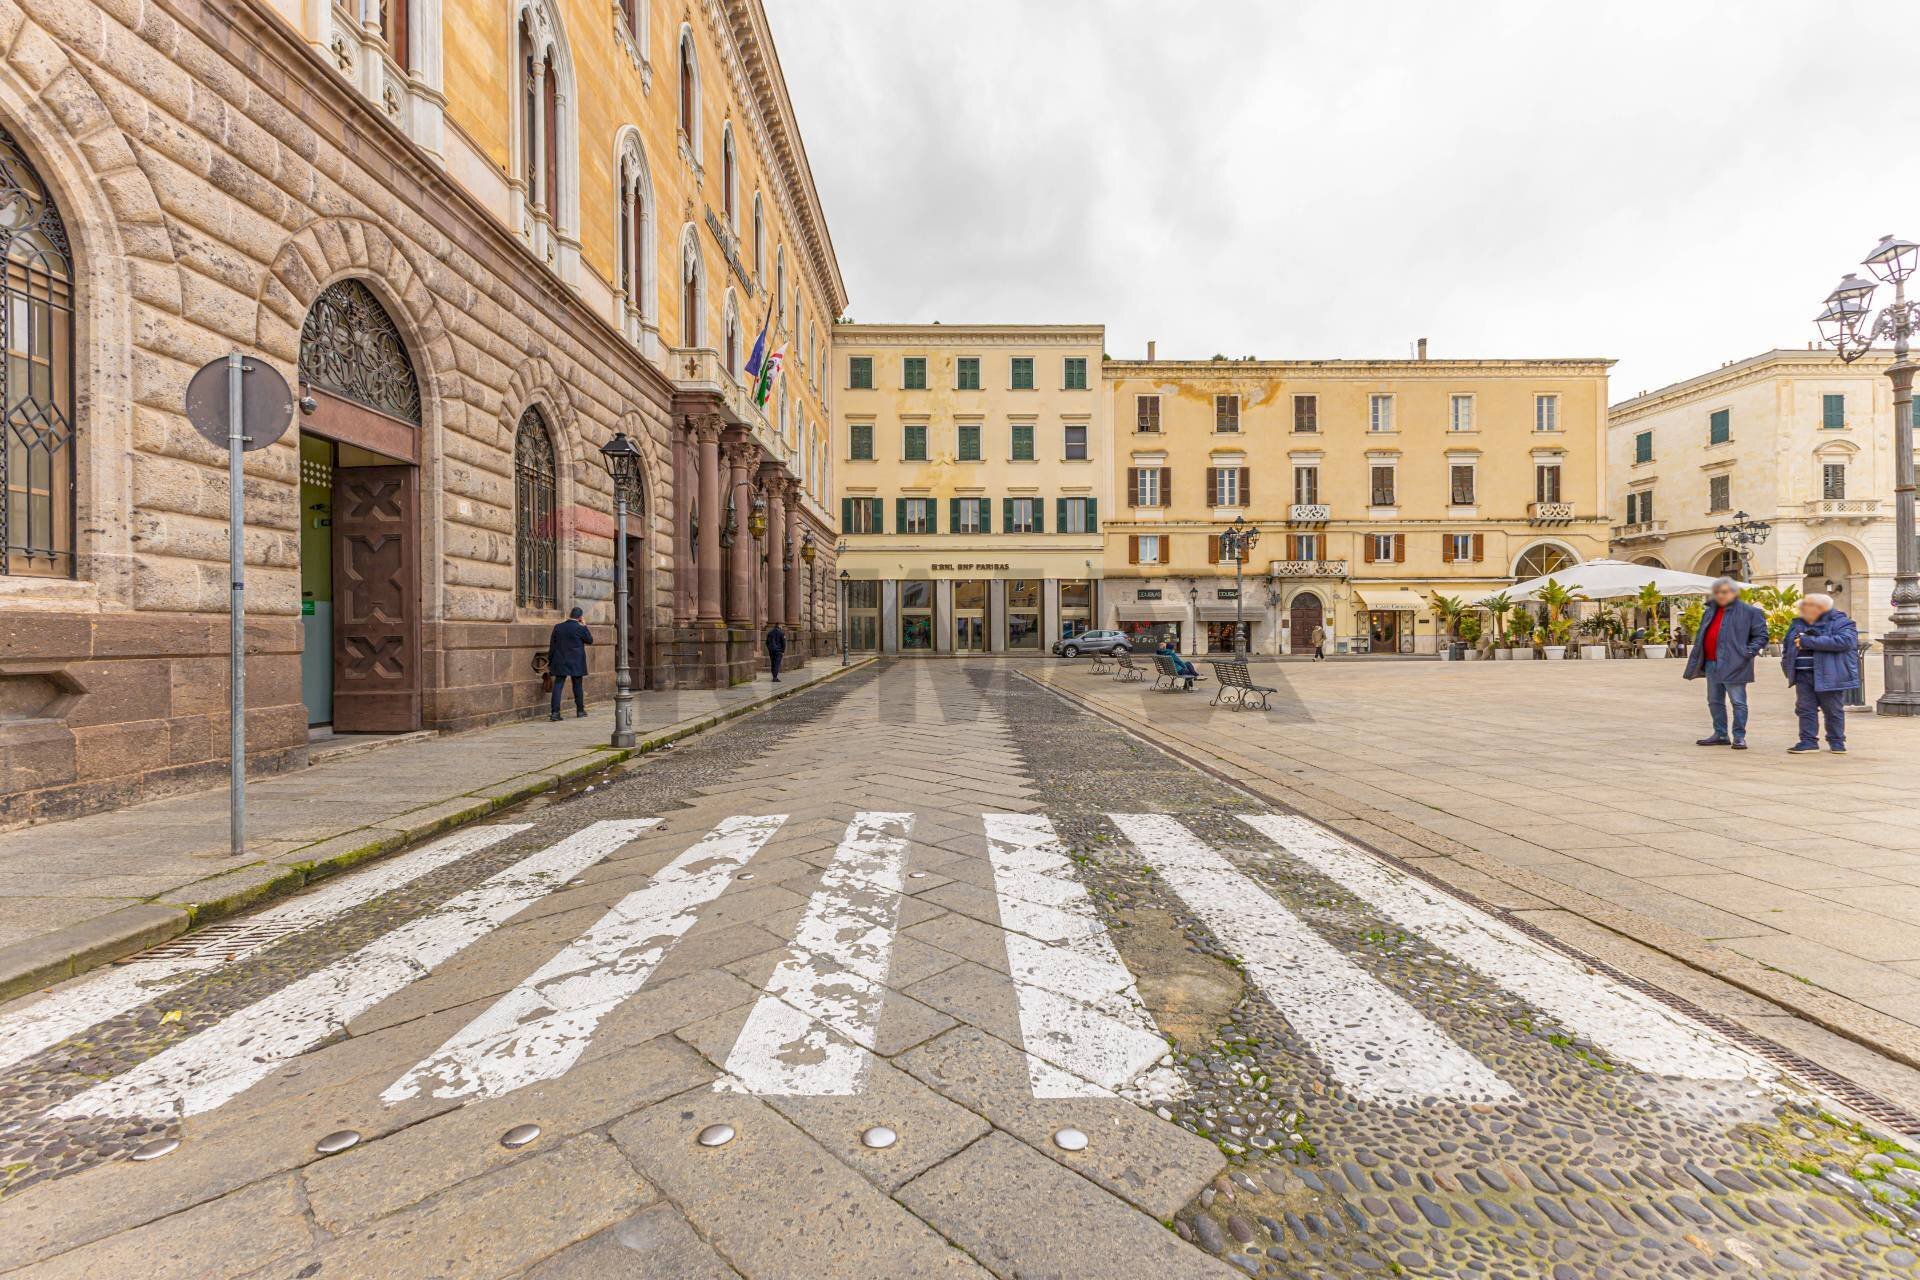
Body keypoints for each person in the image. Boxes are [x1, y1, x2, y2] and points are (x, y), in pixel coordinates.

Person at [1680, 578, 1767, 749]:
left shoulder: (1750, 612)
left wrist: (1748, 653)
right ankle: (1720, 733)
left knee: (1738, 701)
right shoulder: (1710, 611)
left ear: (1734, 593)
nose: (1720, 595)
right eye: (1717, 592)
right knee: (1714, 700)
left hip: (1736, 664)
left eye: (1725, 592)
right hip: (1712, 663)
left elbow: (1761, 636)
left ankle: (1739, 736)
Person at [1781, 593, 1858, 754]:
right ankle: (1808, 741)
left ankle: (1837, 741)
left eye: (1807, 605)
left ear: (1821, 608)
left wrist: (1808, 642)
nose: (1802, 608)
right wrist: (1786, 663)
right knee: (1805, 708)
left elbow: (1845, 641)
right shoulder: (1797, 623)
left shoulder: (1841, 622)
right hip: (1802, 674)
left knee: (1832, 710)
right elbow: (1788, 644)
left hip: (1829, 673)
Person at [546, 606, 592, 721]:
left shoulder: (558, 627)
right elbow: (590, 640)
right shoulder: (580, 628)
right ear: (580, 617)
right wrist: (585, 626)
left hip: (560, 660)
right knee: (577, 686)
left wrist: (550, 661)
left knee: (558, 685)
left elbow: (552, 646)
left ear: (570, 615)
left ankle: (555, 713)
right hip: (576, 662)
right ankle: (580, 711)